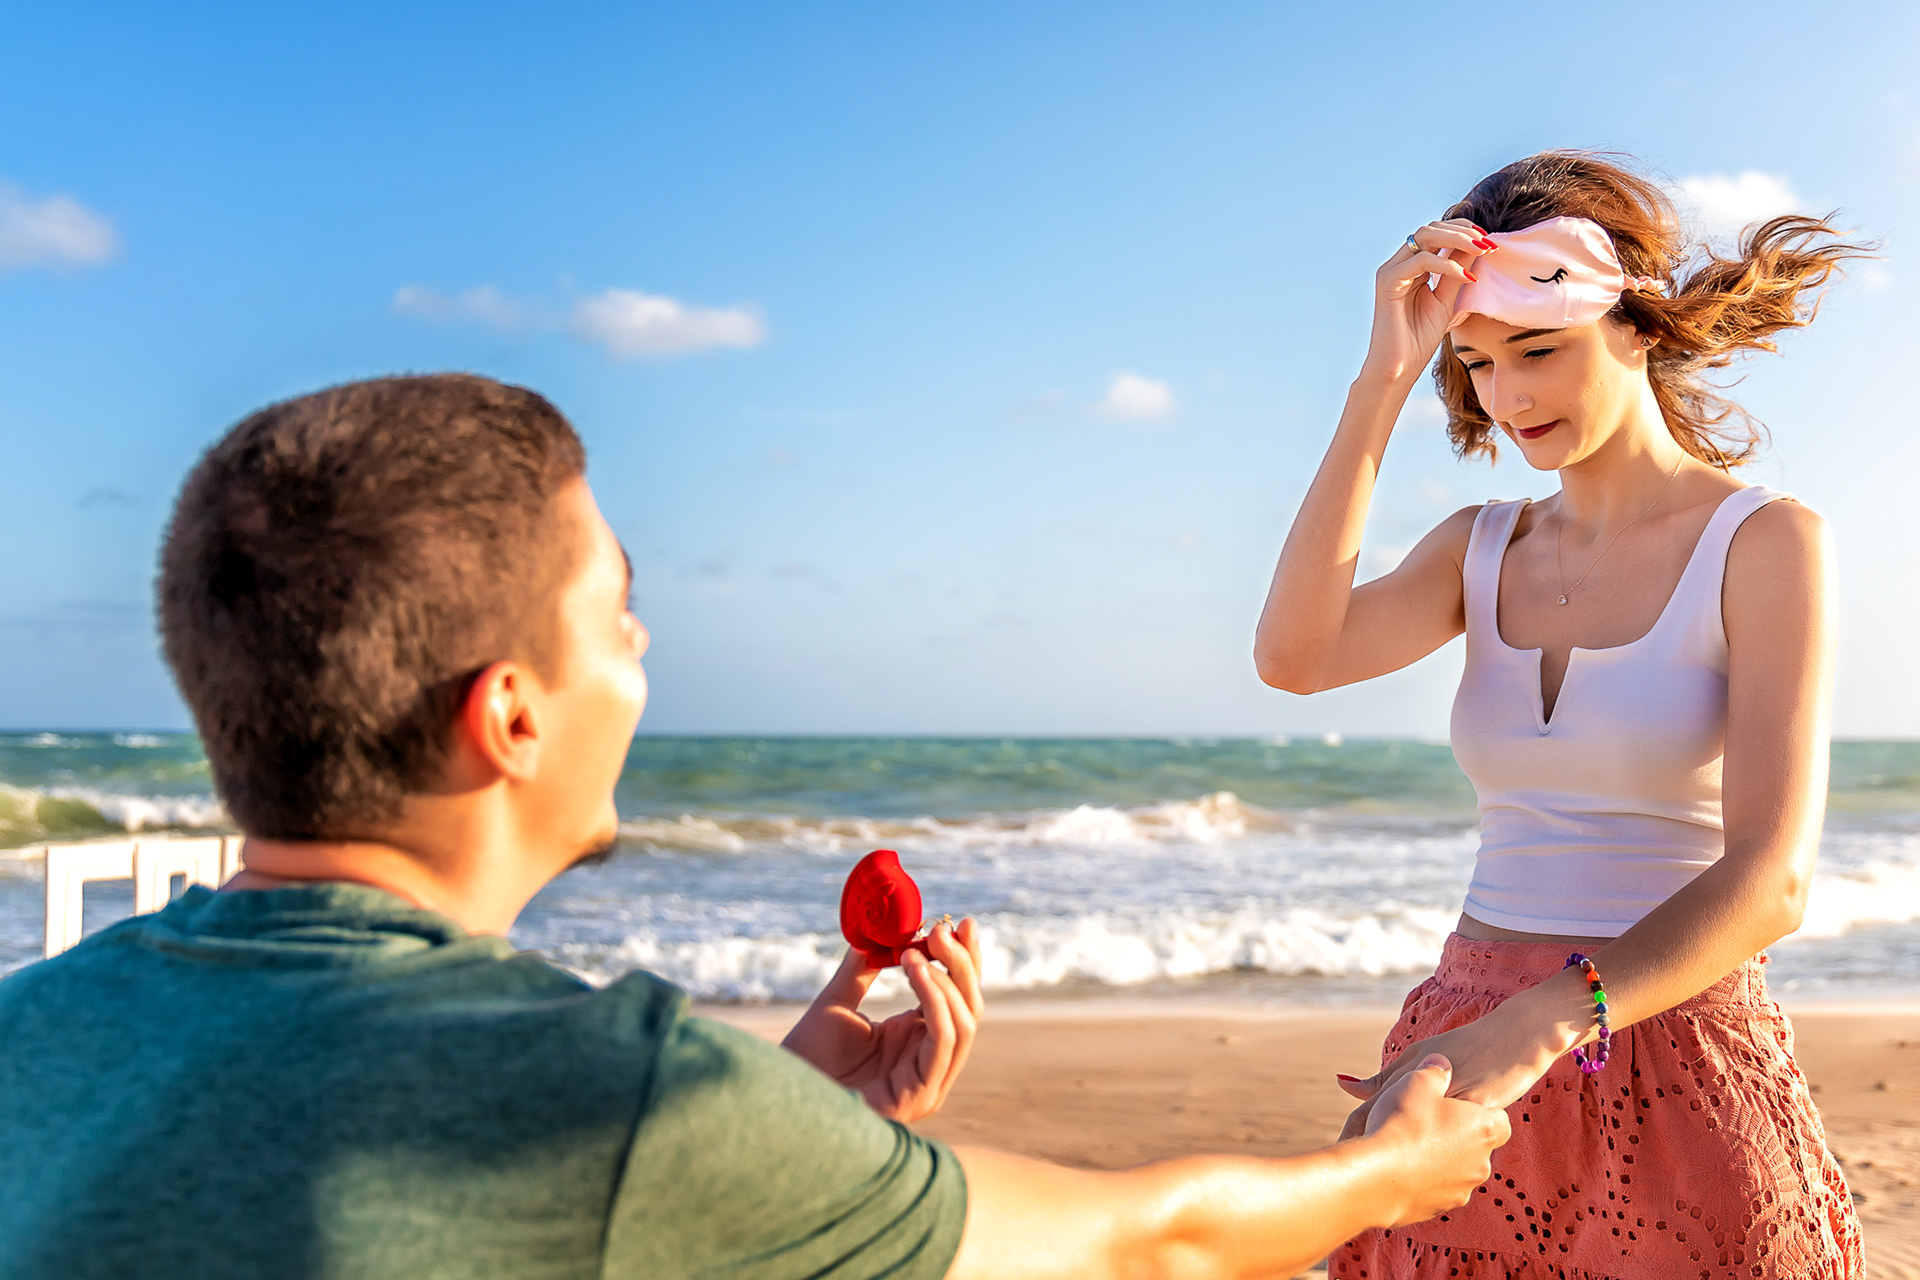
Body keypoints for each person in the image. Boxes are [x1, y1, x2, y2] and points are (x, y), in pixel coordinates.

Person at [0, 374, 1507, 1279]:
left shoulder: (37, 1027)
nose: (644, 654)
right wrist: (1391, 1173)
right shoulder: (604, 1093)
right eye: (620, 615)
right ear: (511, 714)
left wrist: (790, 1122)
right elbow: (1138, 1243)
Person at [1254, 151, 1871, 1278]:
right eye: (1477, 363)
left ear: (1635, 322)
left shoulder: (1762, 542)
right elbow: (1293, 658)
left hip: (1670, 1040)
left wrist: (1537, 1022)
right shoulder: (1479, 547)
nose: (1509, 397)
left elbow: (1772, 880)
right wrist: (1381, 383)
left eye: (1538, 350)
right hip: (1460, 1048)